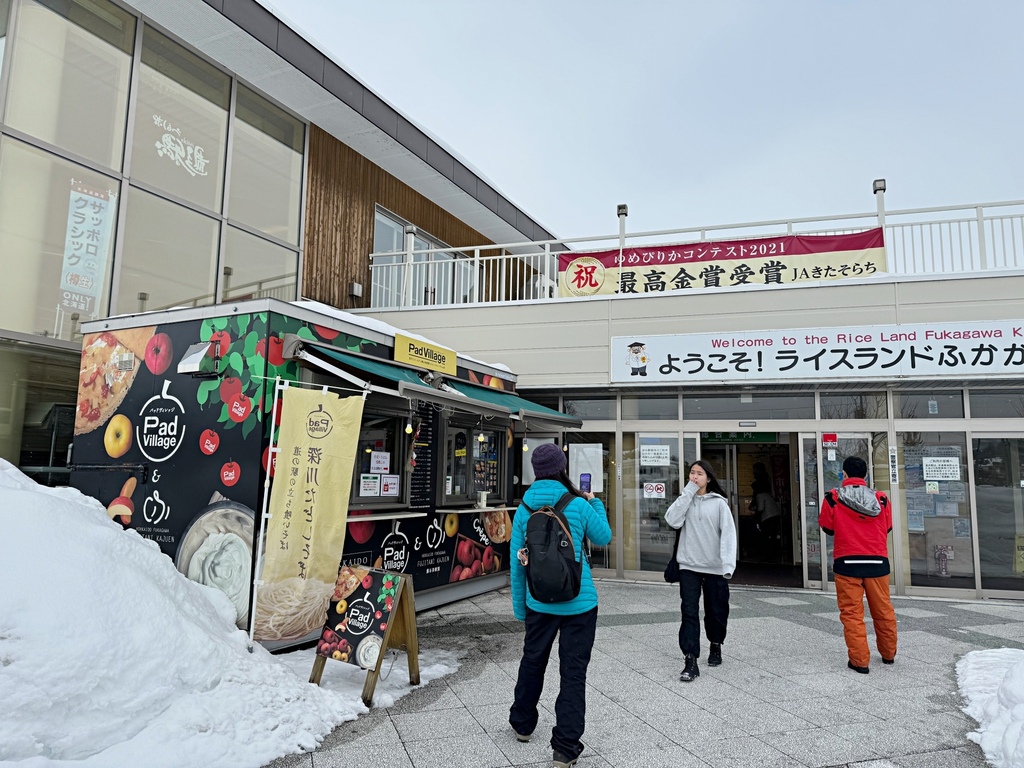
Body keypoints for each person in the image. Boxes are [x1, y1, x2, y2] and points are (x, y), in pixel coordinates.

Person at [509, 443, 612, 768]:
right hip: (579, 605)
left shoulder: (524, 509)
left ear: (536, 471)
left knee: (532, 661)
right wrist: (596, 503)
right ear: (561, 468)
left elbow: (517, 565)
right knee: (573, 674)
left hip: (538, 602)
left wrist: (521, 608)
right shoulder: (578, 505)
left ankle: (523, 725)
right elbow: (604, 536)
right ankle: (565, 749)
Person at [818, 456, 897, 674]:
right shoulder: (881, 499)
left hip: (847, 563)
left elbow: (827, 527)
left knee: (852, 614)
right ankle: (888, 654)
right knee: (883, 610)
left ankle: (860, 661)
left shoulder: (833, 498)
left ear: (844, 474)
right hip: (877, 562)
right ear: (865, 475)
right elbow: (888, 527)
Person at [665, 459, 737, 682]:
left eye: (699, 474)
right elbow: (672, 520)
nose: (694, 477)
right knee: (689, 612)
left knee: (716, 611)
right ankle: (690, 660)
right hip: (688, 565)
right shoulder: (685, 500)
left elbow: (728, 536)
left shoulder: (719, 504)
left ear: (708, 478)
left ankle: (715, 645)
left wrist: (727, 565)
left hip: (714, 567)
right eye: (691, 473)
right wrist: (687, 493)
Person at [749, 462, 781, 552]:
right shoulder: (767, 492)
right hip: (775, 514)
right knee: (772, 534)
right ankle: (773, 551)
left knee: (766, 533)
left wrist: (755, 511)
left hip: (768, 516)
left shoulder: (760, 494)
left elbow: (760, 508)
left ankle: (767, 551)